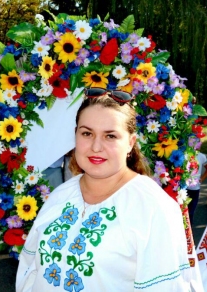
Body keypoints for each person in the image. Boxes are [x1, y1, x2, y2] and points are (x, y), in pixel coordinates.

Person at [16, 88, 192, 291]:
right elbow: (30, 272)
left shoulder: (153, 207)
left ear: (130, 143)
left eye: (110, 136)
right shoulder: (60, 196)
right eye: (87, 133)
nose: (96, 146)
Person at [187, 152, 207, 225]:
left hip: (194, 189)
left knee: (190, 213)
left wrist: (202, 179)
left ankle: (189, 233)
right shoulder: (183, 154)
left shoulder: (201, 156)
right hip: (182, 188)